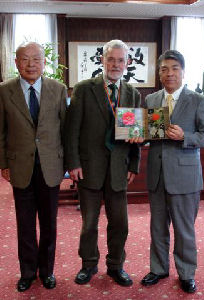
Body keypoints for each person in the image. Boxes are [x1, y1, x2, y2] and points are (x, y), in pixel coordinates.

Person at [64, 39, 141, 287]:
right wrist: (73, 163)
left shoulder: (133, 93)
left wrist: (133, 165)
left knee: (120, 223)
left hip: (119, 168)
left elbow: (135, 135)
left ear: (127, 63)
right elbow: (71, 130)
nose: (115, 64)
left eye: (120, 60)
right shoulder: (84, 89)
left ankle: (116, 266)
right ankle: (88, 264)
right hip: (89, 168)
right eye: (111, 59)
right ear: (102, 60)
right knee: (89, 224)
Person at [0, 42, 67, 292]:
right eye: (25, 59)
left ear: (45, 63)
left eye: (36, 59)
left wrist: (68, 164)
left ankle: (47, 271)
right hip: (20, 166)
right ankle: (27, 272)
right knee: (24, 223)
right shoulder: (3, 91)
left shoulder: (58, 89)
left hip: (51, 166)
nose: (31, 64)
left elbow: (65, 130)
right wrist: (3, 163)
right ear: (16, 63)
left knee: (49, 223)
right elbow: (0, 130)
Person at [140, 50, 204, 293]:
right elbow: (149, 134)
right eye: (164, 69)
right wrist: (138, 137)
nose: (169, 73)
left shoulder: (198, 100)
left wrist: (186, 136)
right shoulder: (151, 100)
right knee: (157, 227)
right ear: (159, 73)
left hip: (184, 176)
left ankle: (186, 273)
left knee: (184, 230)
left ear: (182, 71)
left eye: (174, 68)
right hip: (157, 175)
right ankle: (159, 268)